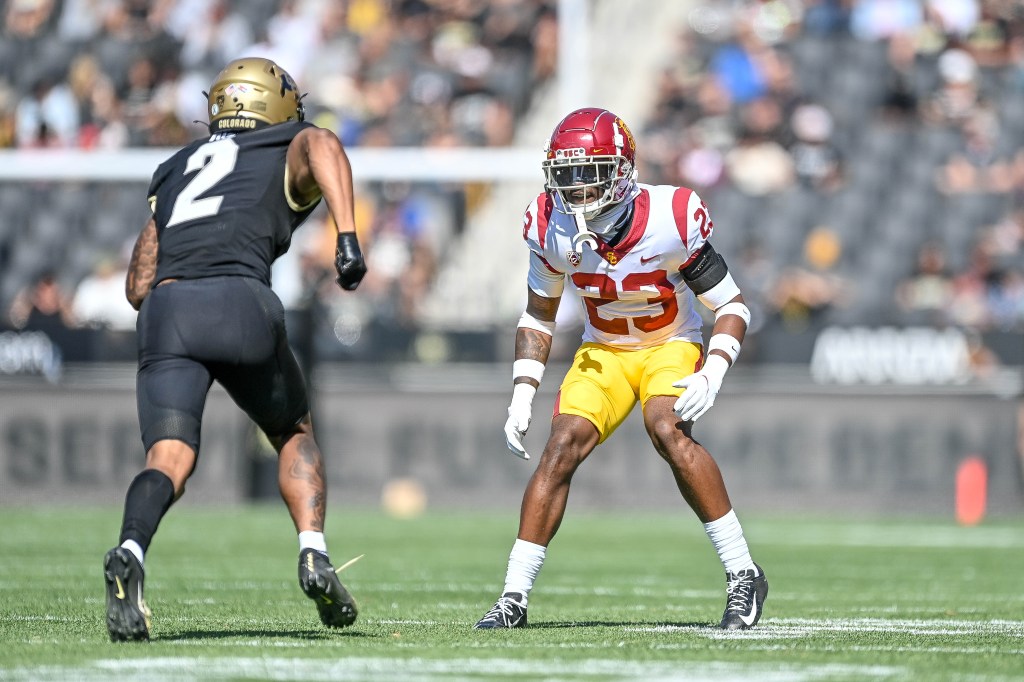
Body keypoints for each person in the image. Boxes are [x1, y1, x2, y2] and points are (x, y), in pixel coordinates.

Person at [103, 57, 367, 642]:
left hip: (168, 312)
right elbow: (322, 142)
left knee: (168, 458)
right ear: (271, 105)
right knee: (293, 430)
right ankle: (313, 553)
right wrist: (347, 239)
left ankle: (131, 550)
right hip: (239, 300)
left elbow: (136, 287)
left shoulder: (175, 166)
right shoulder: (288, 140)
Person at [474, 108, 767, 631]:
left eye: (591, 172)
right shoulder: (548, 222)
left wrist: (714, 370)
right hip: (604, 350)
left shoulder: (670, 216)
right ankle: (513, 596)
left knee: (667, 430)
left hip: (670, 343)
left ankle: (743, 572)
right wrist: (523, 391)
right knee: (560, 445)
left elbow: (733, 306)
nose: (578, 189)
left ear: (623, 168)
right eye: (567, 175)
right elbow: (539, 314)